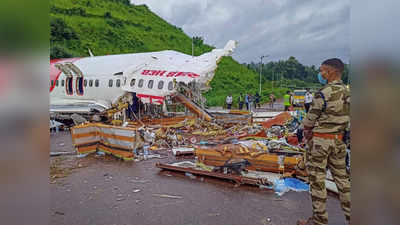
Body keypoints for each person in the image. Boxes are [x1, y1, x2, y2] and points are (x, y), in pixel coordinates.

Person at [297, 58, 350, 225]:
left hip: (321, 143)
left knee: (317, 181)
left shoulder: (323, 93)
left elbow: (308, 122)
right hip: (340, 142)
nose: (320, 74)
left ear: (331, 72)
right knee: (343, 181)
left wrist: (305, 132)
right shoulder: (349, 92)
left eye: (322, 71)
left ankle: (319, 220)